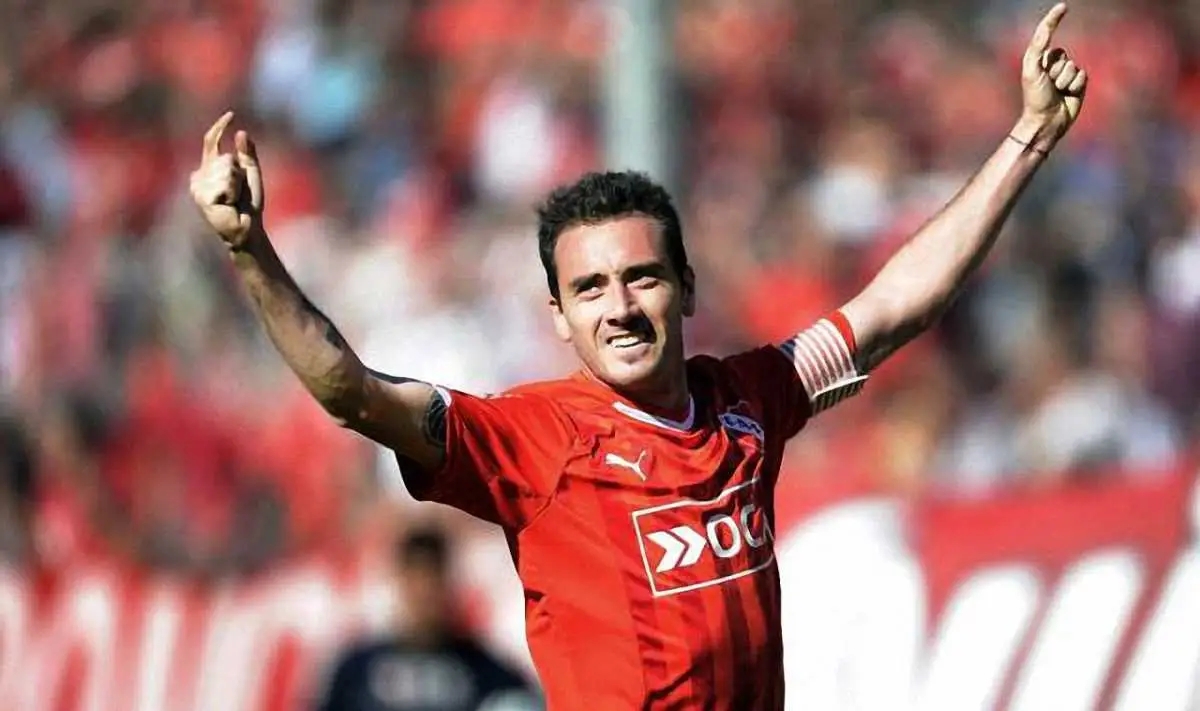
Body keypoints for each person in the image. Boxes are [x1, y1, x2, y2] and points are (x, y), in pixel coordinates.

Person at [189, 5, 1087, 709]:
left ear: (686, 288)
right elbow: (351, 391)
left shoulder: (748, 397)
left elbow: (894, 306)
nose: (618, 307)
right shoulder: (531, 438)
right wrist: (250, 249)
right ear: (558, 317)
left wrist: (1030, 137)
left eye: (641, 278)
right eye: (589, 289)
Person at [316, 523, 542, 711]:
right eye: (416, 582)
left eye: (431, 582)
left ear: (447, 583)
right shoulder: (357, 671)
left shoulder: (486, 672)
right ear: (400, 582)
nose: (424, 594)